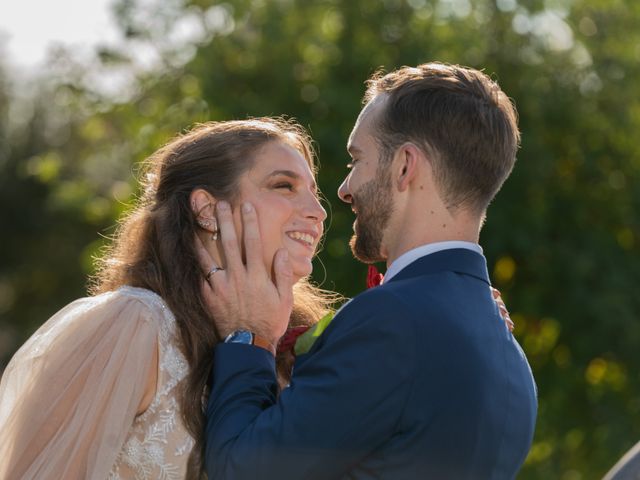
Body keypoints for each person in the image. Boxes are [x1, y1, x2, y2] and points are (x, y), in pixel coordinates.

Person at [203, 62, 538, 479]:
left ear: (404, 166)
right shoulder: (512, 360)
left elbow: (239, 469)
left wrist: (248, 335)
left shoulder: (393, 322)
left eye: (356, 160)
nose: (344, 190)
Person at [0, 118, 335, 479]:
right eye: (284, 185)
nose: (318, 211)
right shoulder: (132, 324)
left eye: (314, 192)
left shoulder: (300, 347)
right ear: (207, 211)